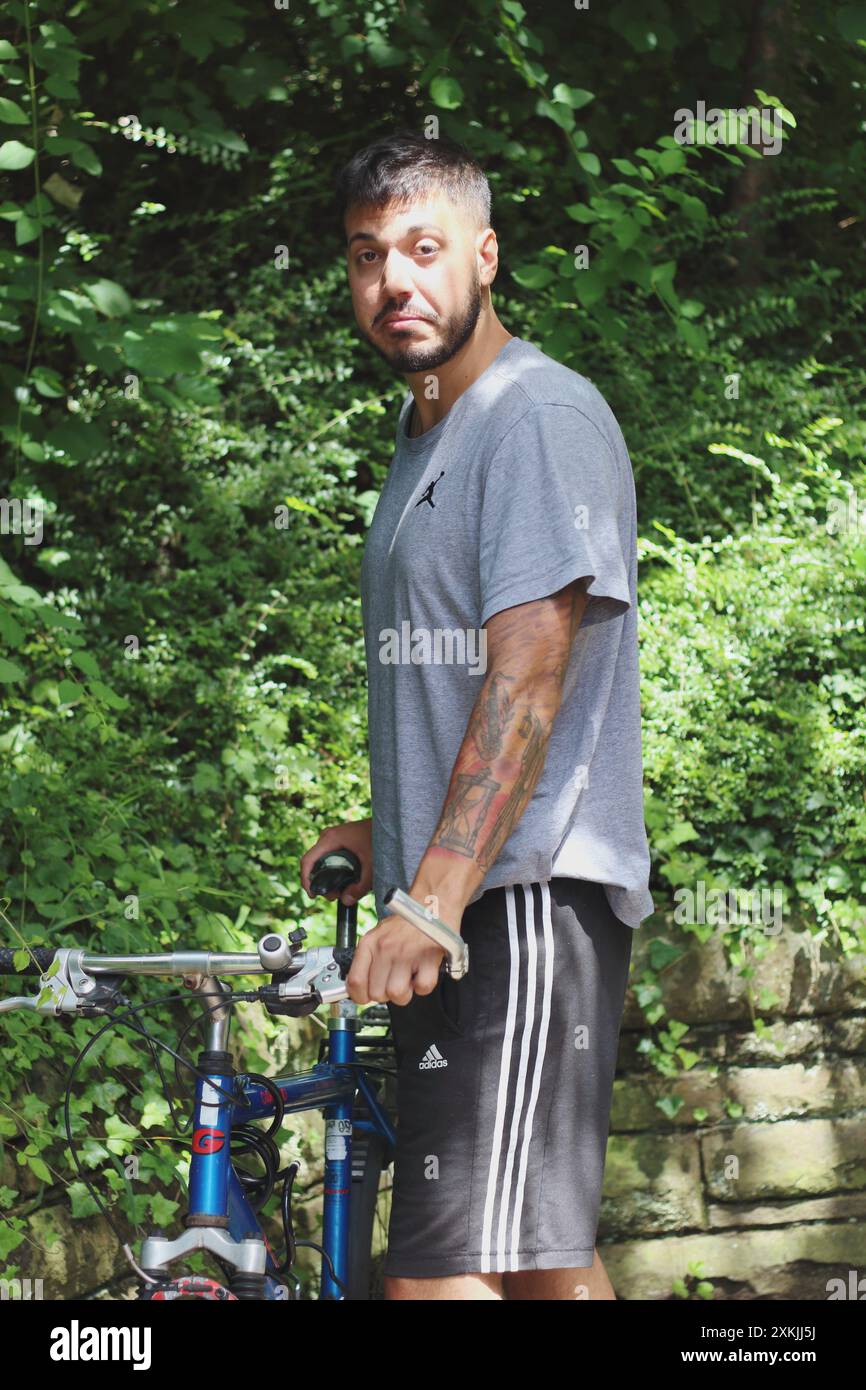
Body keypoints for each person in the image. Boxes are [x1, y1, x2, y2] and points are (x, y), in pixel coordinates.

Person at [300, 129, 654, 1301]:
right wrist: (385, 826)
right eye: (366, 257)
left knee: (441, 1278)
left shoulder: (530, 417)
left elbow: (528, 678)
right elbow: (460, 678)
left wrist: (432, 896)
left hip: (517, 907)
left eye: (422, 247)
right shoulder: (427, 434)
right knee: (536, 1268)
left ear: (485, 255)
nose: (393, 280)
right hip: (467, 904)